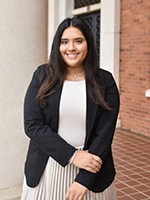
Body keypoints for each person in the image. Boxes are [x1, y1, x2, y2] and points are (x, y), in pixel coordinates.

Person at [21, 17, 120, 200]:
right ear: (57, 46)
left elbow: (104, 134)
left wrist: (84, 180)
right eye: (64, 42)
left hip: (93, 166)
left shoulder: (105, 81)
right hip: (48, 166)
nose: (71, 48)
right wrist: (73, 156)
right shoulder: (42, 76)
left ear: (88, 44)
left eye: (78, 41)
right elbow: (32, 125)